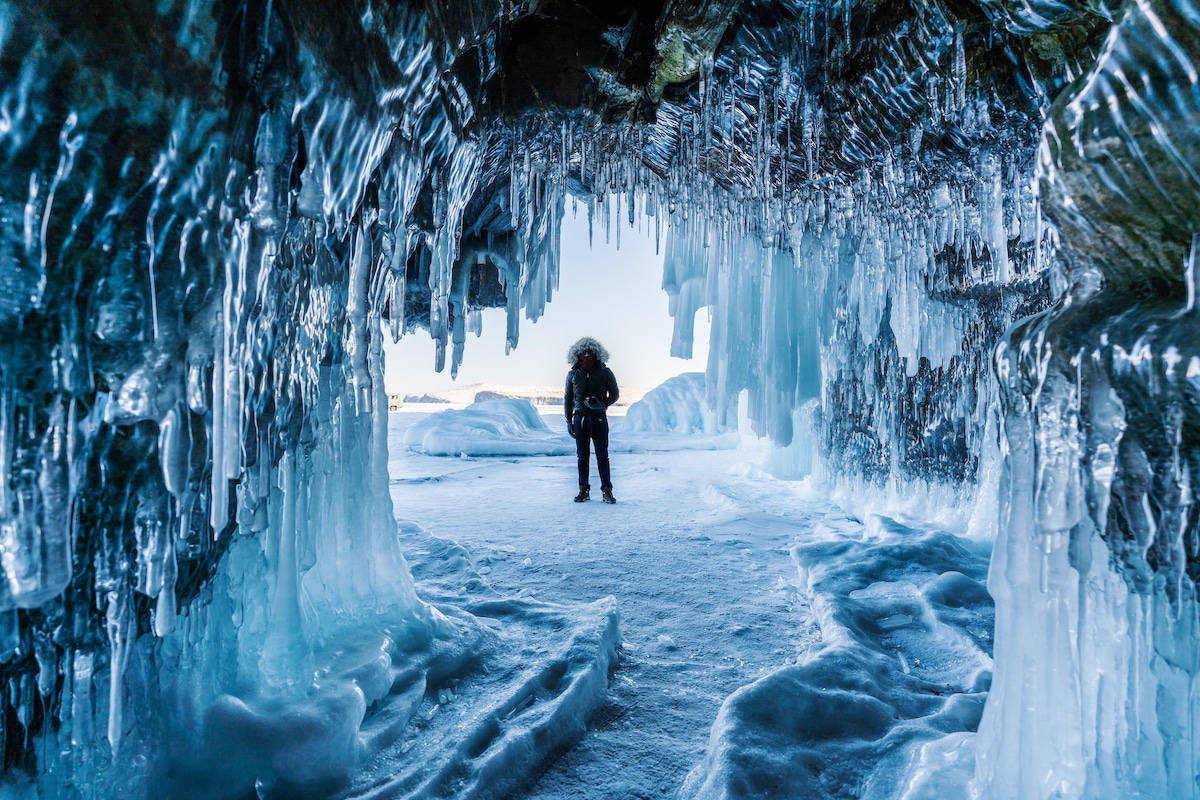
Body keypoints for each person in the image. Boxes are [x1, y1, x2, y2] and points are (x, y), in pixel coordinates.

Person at [565, 336, 619, 503]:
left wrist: (601, 404)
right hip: (580, 419)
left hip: (599, 419)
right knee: (582, 456)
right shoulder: (573, 373)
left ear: (597, 353)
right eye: (584, 352)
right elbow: (568, 398)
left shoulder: (605, 372)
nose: (587, 355)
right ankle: (583, 490)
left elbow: (615, 394)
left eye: (590, 352)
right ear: (578, 354)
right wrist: (569, 420)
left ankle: (607, 491)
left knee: (602, 455)